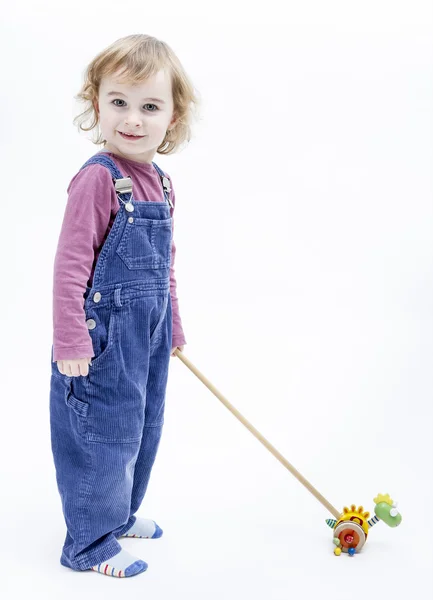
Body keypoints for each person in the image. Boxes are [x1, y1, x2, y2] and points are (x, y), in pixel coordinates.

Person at [49, 34, 201, 578]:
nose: (132, 119)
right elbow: (70, 266)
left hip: (150, 334)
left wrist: (173, 328)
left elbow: (166, 268)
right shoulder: (99, 180)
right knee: (103, 433)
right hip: (102, 339)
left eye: (149, 106)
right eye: (119, 102)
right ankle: (88, 544)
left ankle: (120, 513)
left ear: (172, 117)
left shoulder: (161, 182)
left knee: (142, 425)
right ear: (97, 106)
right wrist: (70, 339)